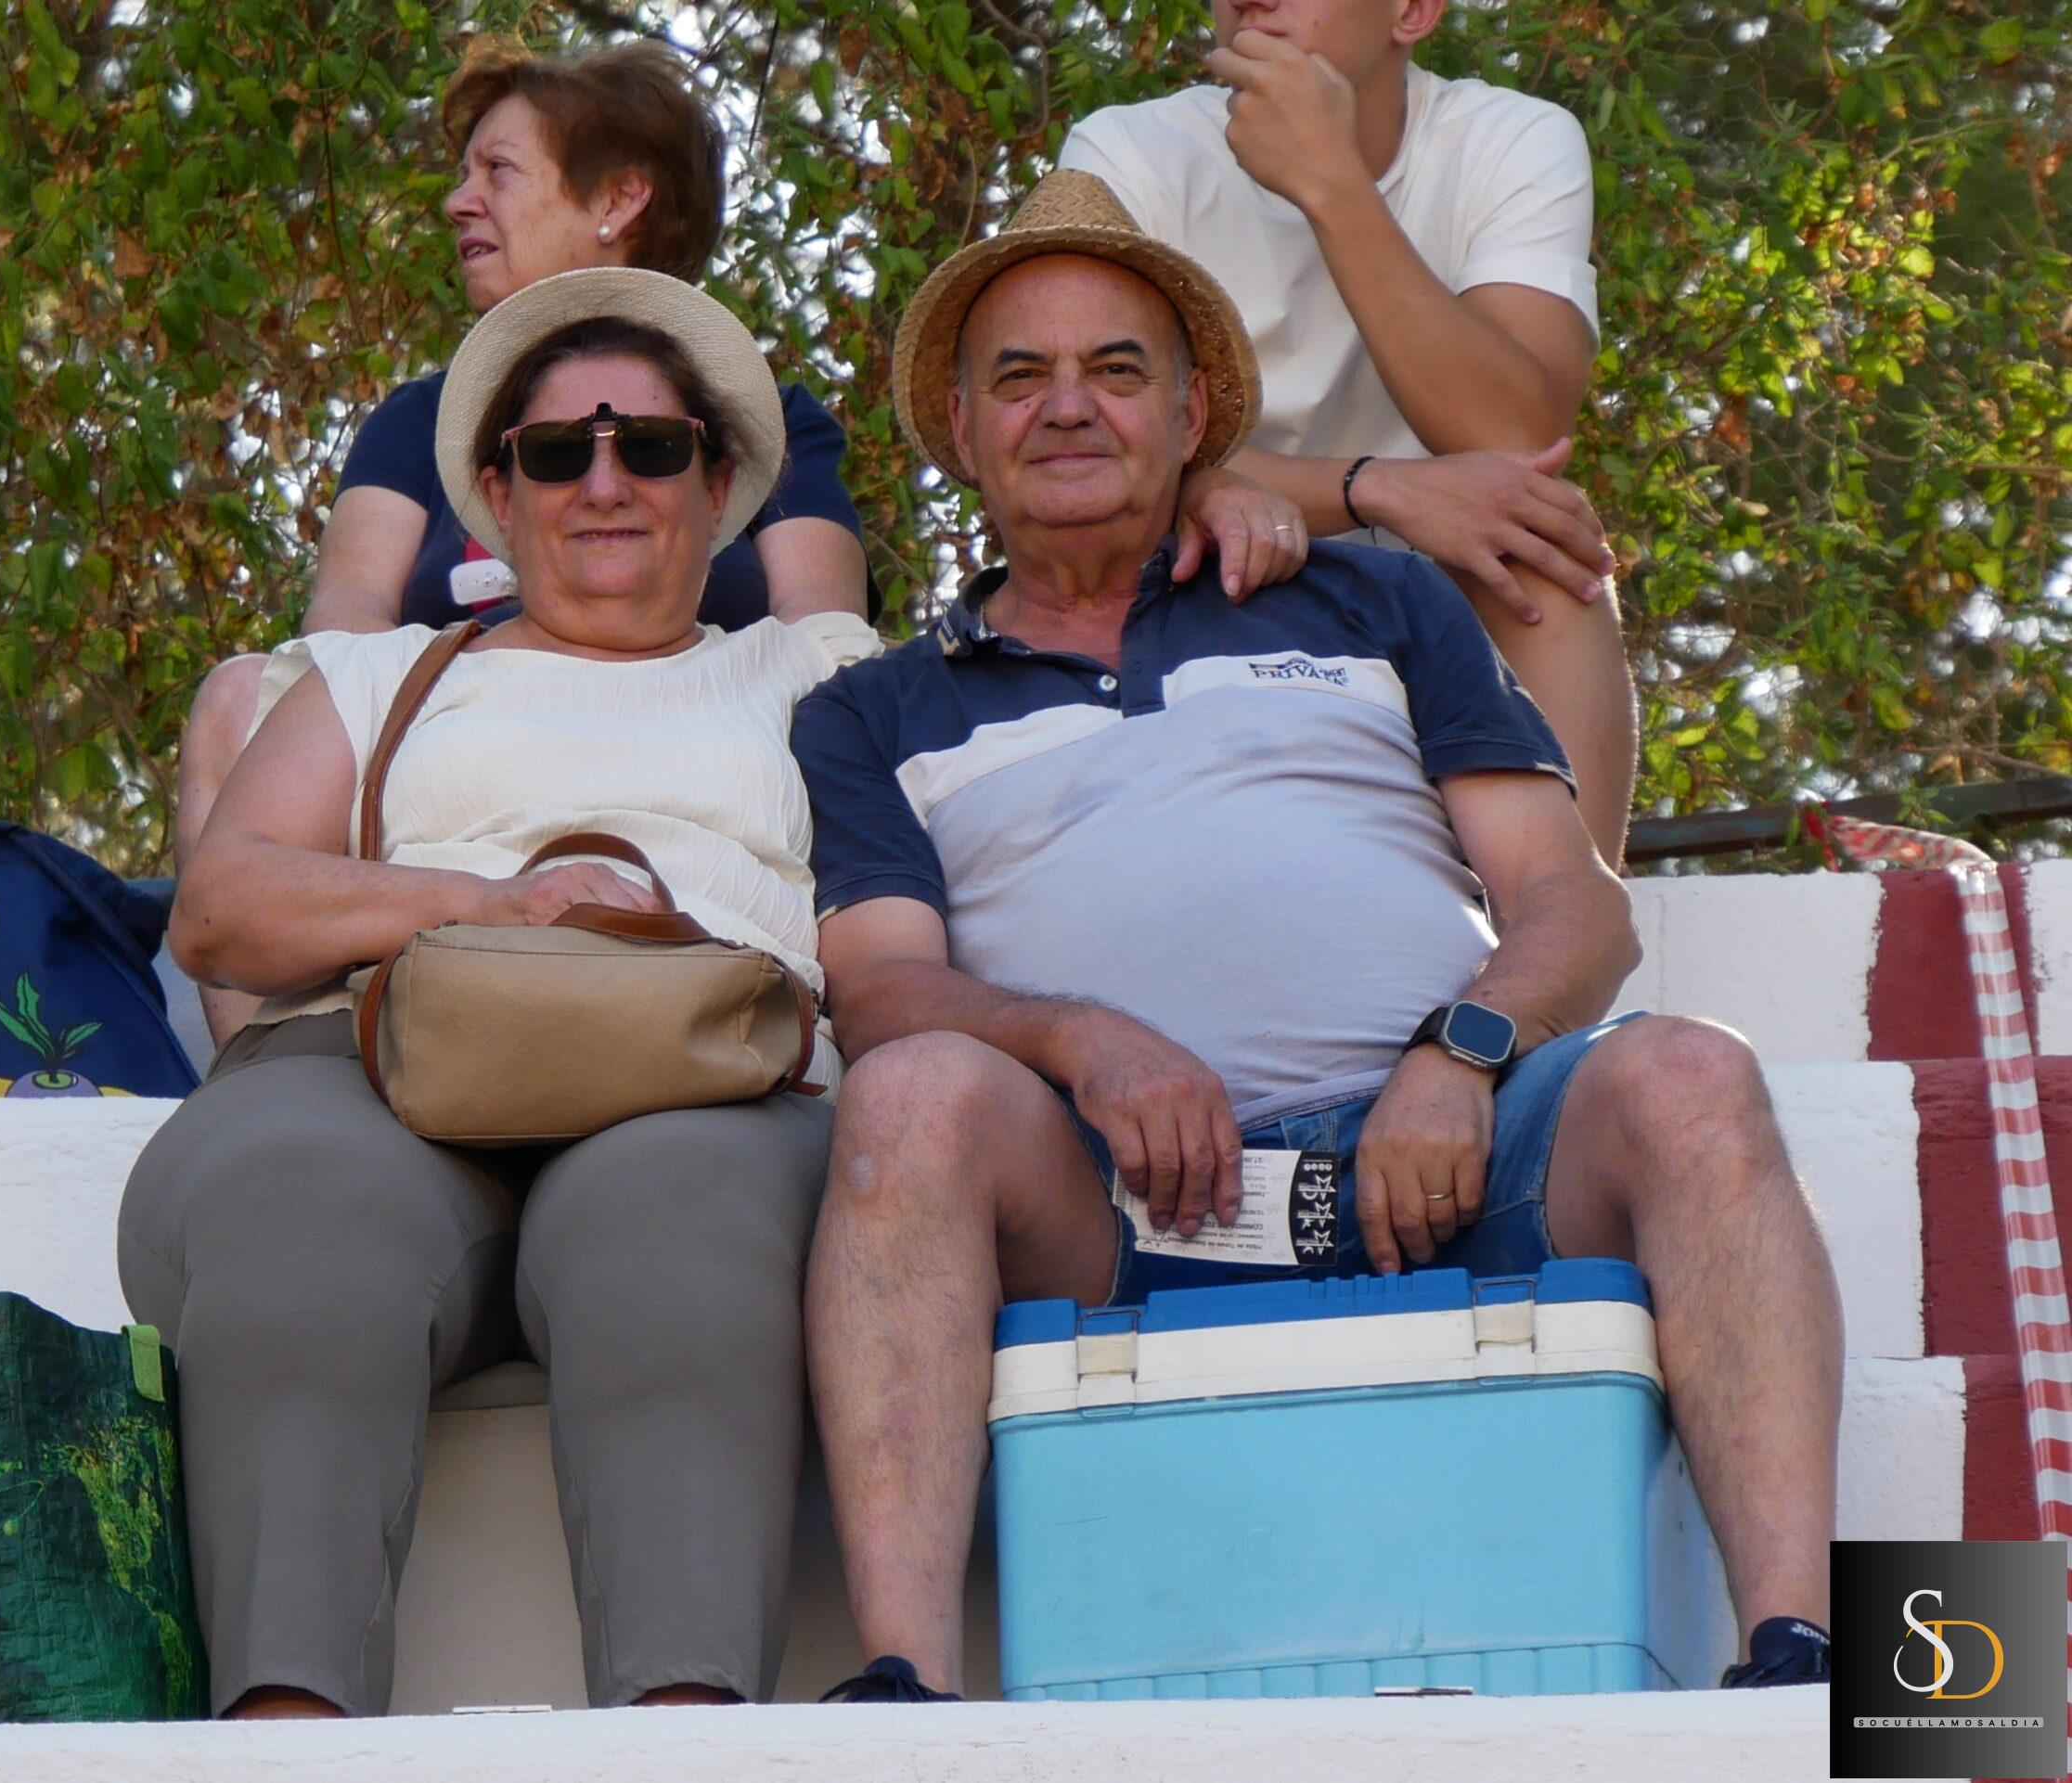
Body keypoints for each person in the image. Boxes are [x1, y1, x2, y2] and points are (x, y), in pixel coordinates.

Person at [790, 174, 1841, 1704]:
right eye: (1019, 376)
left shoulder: (1374, 598)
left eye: (1116, 369)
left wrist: (1461, 1054)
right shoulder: (873, 709)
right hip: (1119, 1197)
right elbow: (883, 989)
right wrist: (1082, 1038)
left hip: (1461, 1158)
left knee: (1693, 1072)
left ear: (1192, 414)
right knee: (904, 1097)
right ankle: (905, 1686)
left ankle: (1800, 1655)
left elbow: (1575, 902)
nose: (1068, 406)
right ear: (960, 426)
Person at [120, 267, 877, 1718]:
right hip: (383, 1060)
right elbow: (222, 908)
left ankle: (682, 1738)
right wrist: (486, 904)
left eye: (652, 445)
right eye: (558, 450)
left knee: (676, 1232)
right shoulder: (376, 674)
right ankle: (285, 1733)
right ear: (493, 495)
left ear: (720, 488)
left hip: (709, 1075)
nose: (606, 480)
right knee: (297, 1214)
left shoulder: (815, 671)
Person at [173, 36, 870, 1043]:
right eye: (549, 455)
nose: (458, 203)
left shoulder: (767, 422)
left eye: (496, 171)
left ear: (619, 199)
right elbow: (349, 614)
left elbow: (823, 631)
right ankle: (272, 1055)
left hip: (697, 774)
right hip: (456, 789)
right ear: (497, 487)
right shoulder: (420, 423)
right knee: (245, 696)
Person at [1058, 0, 1638, 860]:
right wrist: (1374, 488)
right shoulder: (1128, 154)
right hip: (1203, 558)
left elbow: (1516, 433)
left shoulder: (1510, 140)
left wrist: (1331, 182)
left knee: (1538, 536)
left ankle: (1568, 916)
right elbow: (1092, 446)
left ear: (1413, 11)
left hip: (1438, 578)